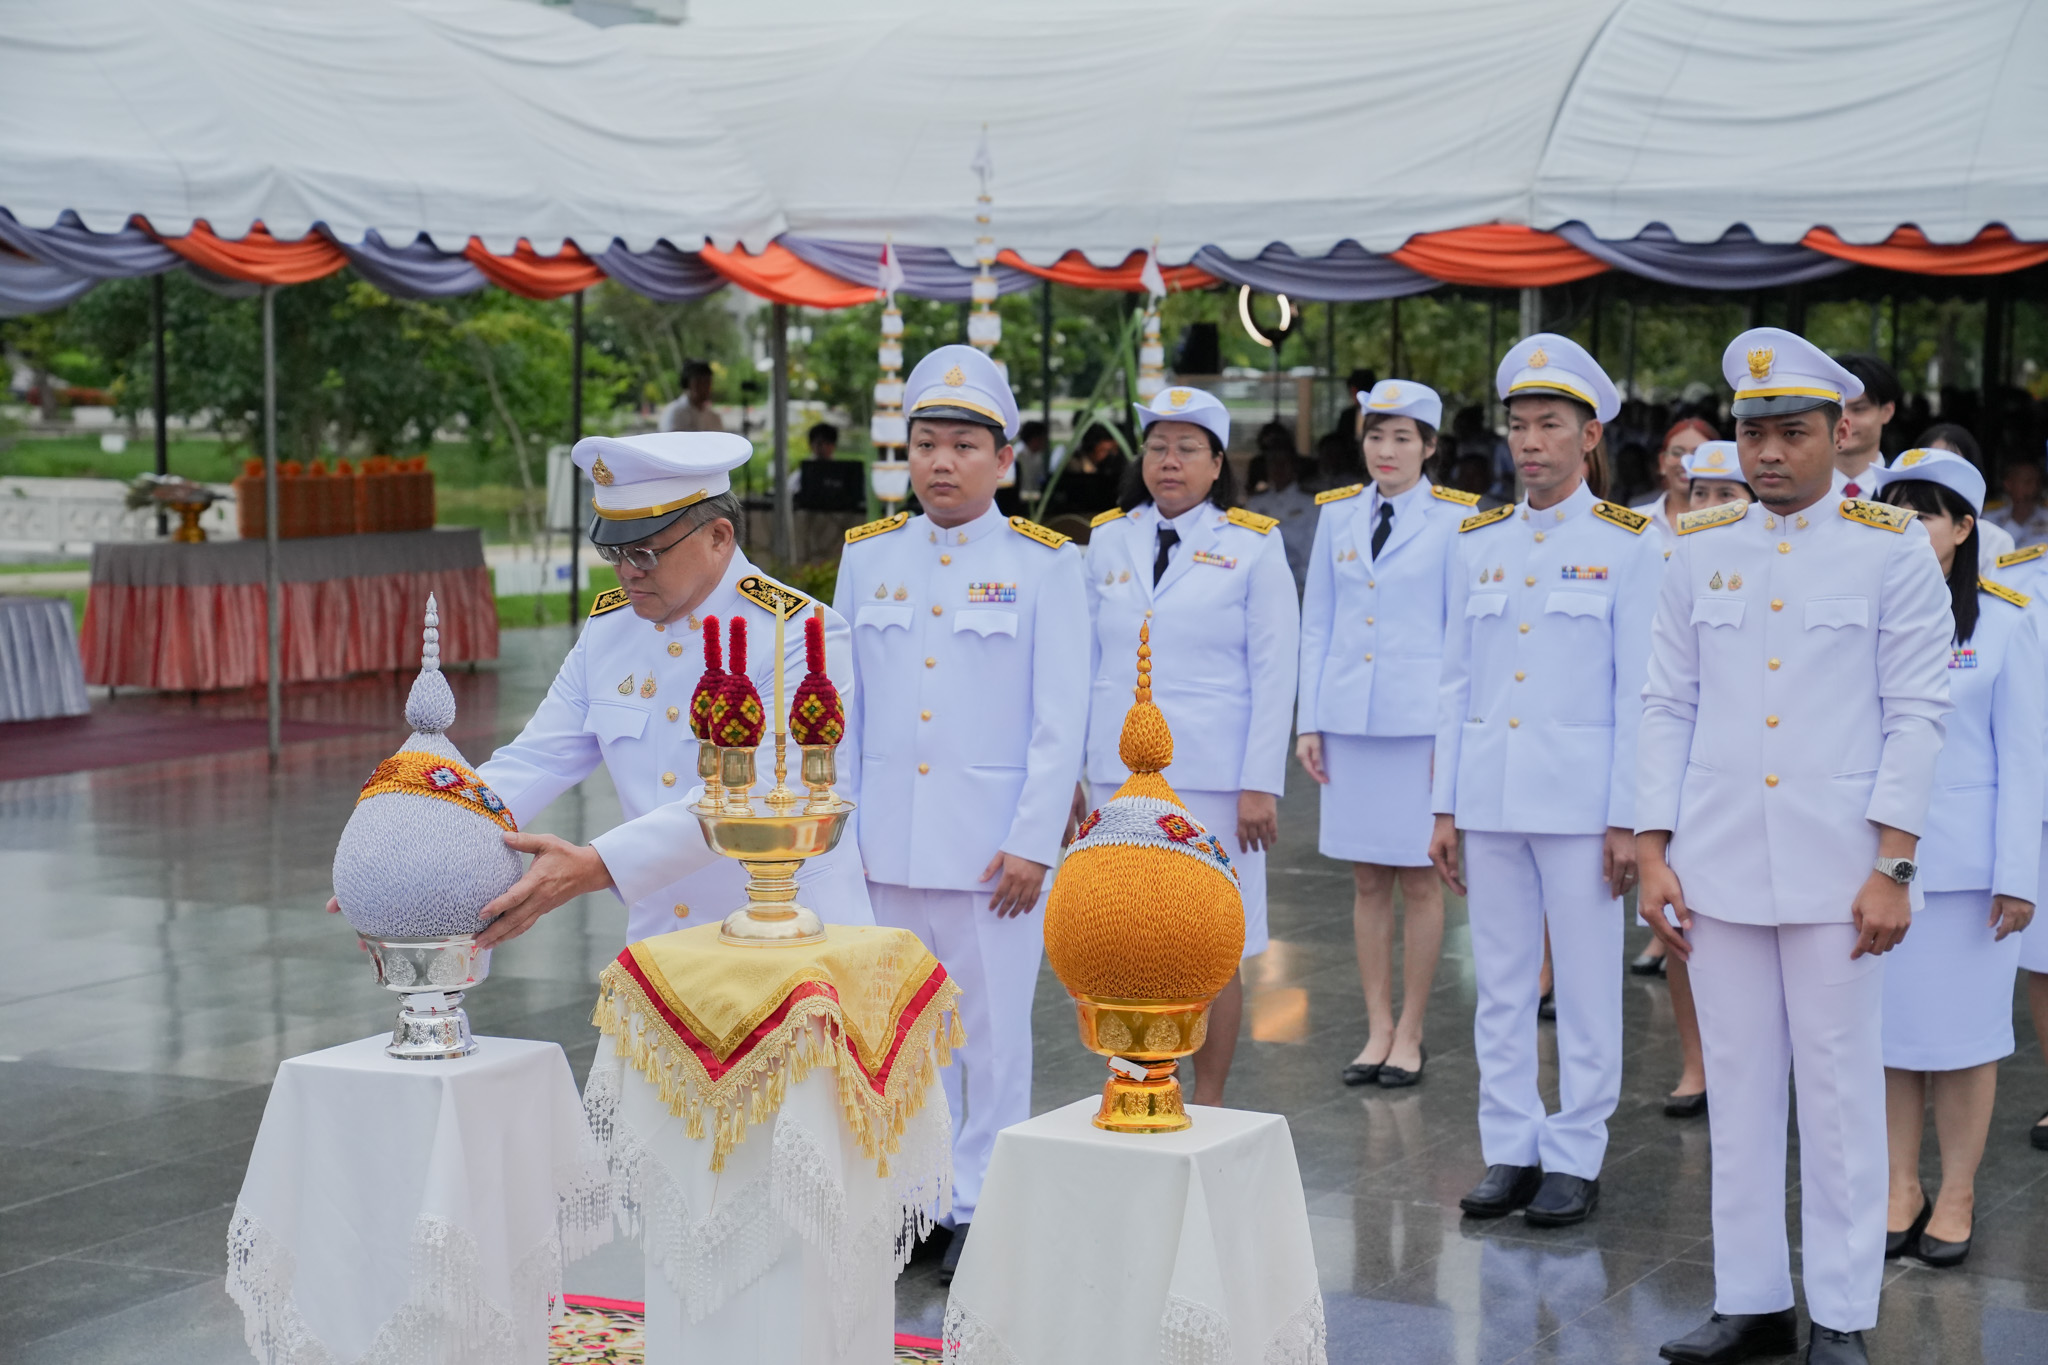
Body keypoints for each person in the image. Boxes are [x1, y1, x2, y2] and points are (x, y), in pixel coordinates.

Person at [1640, 329, 1953, 1365]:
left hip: (1840, 875)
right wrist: (1651, 848)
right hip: (1717, 864)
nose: (1768, 452)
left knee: (1837, 1096)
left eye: (1791, 433)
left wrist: (1893, 864)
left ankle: (1843, 1315)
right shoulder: (1698, 547)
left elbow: (1916, 713)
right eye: (1752, 434)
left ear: (1840, 430)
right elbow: (1665, 704)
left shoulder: (1888, 546)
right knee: (1736, 1090)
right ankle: (1751, 1301)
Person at [372, 432, 875, 950]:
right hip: (662, 945)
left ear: (719, 536)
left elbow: (762, 791)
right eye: (612, 551)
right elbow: (538, 758)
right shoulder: (610, 629)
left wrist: (597, 865)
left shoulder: (798, 632)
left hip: (788, 936)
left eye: (645, 553)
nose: (627, 572)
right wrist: (416, 844)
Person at [833, 345, 1089, 1284]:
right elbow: (843, 707)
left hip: (992, 855)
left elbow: (1062, 718)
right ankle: (921, 1200)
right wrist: (840, 836)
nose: (942, 462)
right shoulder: (869, 556)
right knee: (904, 1034)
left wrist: (1032, 841)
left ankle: (986, 1204)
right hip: (886, 845)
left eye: (964, 445)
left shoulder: (1044, 564)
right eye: (926, 444)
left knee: (991, 1038)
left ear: (1004, 458)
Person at [1430, 334, 1664, 1229]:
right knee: (1500, 982)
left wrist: (1628, 818)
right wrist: (1445, 805)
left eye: (1550, 425)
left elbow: (1640, 691)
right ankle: (1510, 1145)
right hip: (1491, 797)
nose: (1530, 441)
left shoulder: (1630, 545)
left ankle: (1575, 1150)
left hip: (1581, 806)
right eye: (1519, 425)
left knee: (1590, 985)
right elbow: (1455, 682)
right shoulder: (1477, 542)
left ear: (1589, 435)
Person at [1081, 385, 1300, 1106]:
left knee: (1212, 941)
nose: (1168, 461)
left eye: (1186, 448)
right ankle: (1133, 1085)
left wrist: (1260, 782)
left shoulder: (1252, 544)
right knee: (1123, 933)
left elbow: (1275, 670)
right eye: (1157, 447)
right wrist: (1077, 773)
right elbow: (1083, 661)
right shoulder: (1108, 538)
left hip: (1214, 778)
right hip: (1117, 776)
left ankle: (1208, 1098)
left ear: (1216, 463)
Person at [1869, 448, 2042, 1270]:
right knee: (1890, 1037)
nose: (1906, 526)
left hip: (1972, 875)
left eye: (1924, 513)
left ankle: (1960, 1191)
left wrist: (2018, 875)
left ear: (1965, 527)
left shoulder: (2007, 619)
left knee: (1969, 1038)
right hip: (1881, 865)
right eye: (1893, 510)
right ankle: (1900, 1187)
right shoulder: (1867, 612)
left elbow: (2025, 758)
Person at [1296, 379, 1473, 1090]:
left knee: (1421, 880)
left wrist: (1451, 739)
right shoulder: (1337, 515)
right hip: (1350, 723)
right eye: (1376, 436)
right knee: (1367, 879)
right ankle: (1376, 1025)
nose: (1387, 450)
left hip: (1419, 725)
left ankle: (1412, 1029)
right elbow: (1317, 623)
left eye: (1403, 437)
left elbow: (1461, 638)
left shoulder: (1458, 520)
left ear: (1429, 447)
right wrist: (1310, 720)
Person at [1635, 439, 1756, 1115]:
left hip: (1760, 783)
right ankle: (1695, 1062)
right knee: (1689, 934)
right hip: (1690, 783)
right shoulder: (1675, 559)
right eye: (1699, 493)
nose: (1707, 506)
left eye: (1725, 494)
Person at [1633, 418, 1719, 551]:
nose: (1685, 462)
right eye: (1677, 453)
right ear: (1662, 462)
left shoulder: (1728, 524)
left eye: (1697, 453)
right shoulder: (1635, 520)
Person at [1245, 435, 1318, 590]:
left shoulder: (1311, 503)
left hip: (1299, 582)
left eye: (1283, 463)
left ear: (1294, 466)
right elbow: (1247, 545)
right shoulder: (1255, 503)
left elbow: (1312, 549)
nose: (1278, 468)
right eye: (1273, 463)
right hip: (1259, 580)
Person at [1830, 354, 1901, 498]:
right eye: (1835, 409)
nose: (1844, 421)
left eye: (1858, 409)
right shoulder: (1799, 490)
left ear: (1887, 412)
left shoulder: (1904, 490)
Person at [1985, 459, 2048, 549]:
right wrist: (2016, 521)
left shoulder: (2045, 514)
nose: (2034, 488)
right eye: (2028, 482)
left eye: (2037, 482)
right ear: (2008, 484)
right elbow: (1991, 550)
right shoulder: (1991, 517)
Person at [658, 360, 724, 433]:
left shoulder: (713, 417)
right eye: (699, 383)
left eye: (707, 383)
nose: (704, 388)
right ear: (687, 384)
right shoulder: (674, 414)